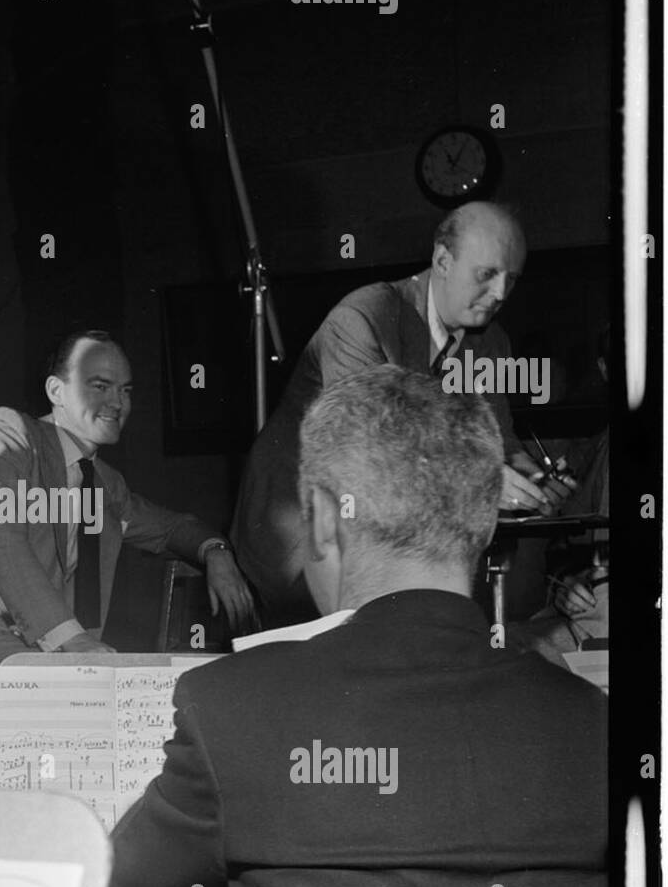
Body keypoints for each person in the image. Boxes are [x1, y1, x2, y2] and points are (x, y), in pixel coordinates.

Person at [104, 366, 607, 887]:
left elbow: (120, 882)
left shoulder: (234, 707)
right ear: (484, 520)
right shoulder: (594, 726)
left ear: (324, 519)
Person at [231, 202, 563, 626]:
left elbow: (500, 442)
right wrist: (483, 479)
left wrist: (534, 479)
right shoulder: (361, 318)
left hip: (388, 524)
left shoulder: (492, 342)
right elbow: (373, 454)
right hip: (299, 527)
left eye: (510, 279)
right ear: (442, 260)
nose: (500, 293)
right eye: (486, 274)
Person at [0, 330, 255, 664]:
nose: (117, 403)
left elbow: (171, 528)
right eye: (100, 386)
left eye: (125, 390)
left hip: (64, 654)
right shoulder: (12, 434)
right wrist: (73, 639)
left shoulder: (106, 483)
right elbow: (0, 538)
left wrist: (215, 551)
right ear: (55, 391)